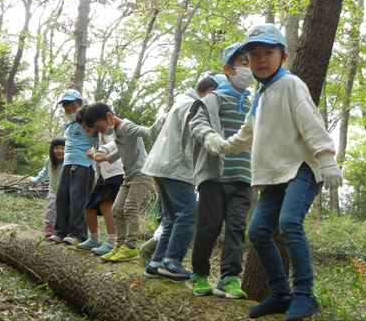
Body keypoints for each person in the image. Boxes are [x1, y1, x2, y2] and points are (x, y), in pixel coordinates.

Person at [202, 24, 343, 321]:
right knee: (258, 231)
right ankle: (280, 293)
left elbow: (311, 122)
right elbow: (244, 136)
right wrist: (222, 145)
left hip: (301, 168)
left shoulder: (291, 85)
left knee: (290, 221)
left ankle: (305, 293)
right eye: (254, 55)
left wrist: (327, 159)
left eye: (268, 52)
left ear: (284, 56)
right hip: (275, 176)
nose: (261, 60)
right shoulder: (260, 96)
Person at [141, 74, 224, 282]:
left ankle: (157, 262)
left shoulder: (182, 101)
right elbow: (195, 136)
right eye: (219, 96)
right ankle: (173, 261)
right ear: (211, 91)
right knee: (188, 214)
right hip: (176, 167)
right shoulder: (195, 105)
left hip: (161, 166)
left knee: (172, 218)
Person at [187, 43, 253, 298]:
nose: (249, 69)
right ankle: (200, 274)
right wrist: (210, 137)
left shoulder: (254, 103)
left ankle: (229, 277)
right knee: (209, 226)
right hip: (214, 177)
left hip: (243, 177)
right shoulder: (213, 97)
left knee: (237, 227)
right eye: (245, 63)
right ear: (229, 69)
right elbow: (197, 122)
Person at [85, 102, 160, 263]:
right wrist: (106, 158)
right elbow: (121, 149)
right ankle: (120, 244)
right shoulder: (117, 131)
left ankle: (131, 247)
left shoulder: (127, 127)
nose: (100, 131)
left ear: (109, 116)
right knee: (117, 209)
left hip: (142, 173)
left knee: (130, 207)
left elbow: (148, 131)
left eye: (99, 127)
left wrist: (166, 118)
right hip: (129, 176)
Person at [50, 96, 98, 245]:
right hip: (67, 163)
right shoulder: (70, 125)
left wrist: (97, 150)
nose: (70, 111)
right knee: (62, 198)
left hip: (84, 164)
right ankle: (60, 230)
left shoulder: (88, 121)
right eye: (67, 109)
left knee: (78, 200)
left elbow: (102, 135)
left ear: (80, 105)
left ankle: (77, 233)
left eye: (73, 108)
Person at [76, 129, 124, 255]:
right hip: (102, 177)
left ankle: (112, 242)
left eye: (86, 125)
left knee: (106, 206)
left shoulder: (107, 130)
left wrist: (103, 150)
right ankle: (94, 239)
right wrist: (93, 150)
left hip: (115, 173)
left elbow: (115, 143)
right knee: (89, 208)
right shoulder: (96, 136)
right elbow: (98, 150)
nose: (86, 128)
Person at [30, 136, 66, 237]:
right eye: (56, 148)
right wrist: (37, 179)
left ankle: (63, 229)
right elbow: (45, 171)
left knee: (64, 210)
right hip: (53, 190)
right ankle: (49, 226)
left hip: (65, 191)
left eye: (63, 148)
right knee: (52, 206)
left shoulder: (68, 161)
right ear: (52, 149)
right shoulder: (49, 160)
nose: (59, 150)